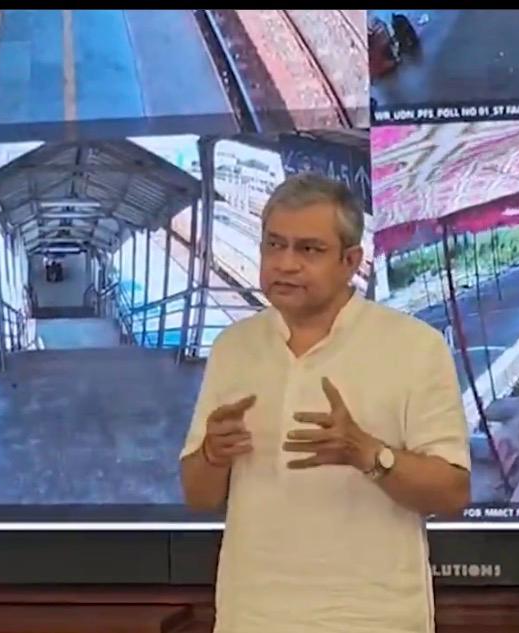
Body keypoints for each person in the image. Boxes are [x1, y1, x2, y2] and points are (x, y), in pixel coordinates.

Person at [179, 173, 471, 633]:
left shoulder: (416, 347)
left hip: (374, 619)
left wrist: (369, 455)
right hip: (252, 617)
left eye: (309, 250)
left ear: (350, 261)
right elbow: (199, 496)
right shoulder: (233, 347)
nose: (285, 264)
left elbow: (452, 493)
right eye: (274, 245)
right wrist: (213, 454)